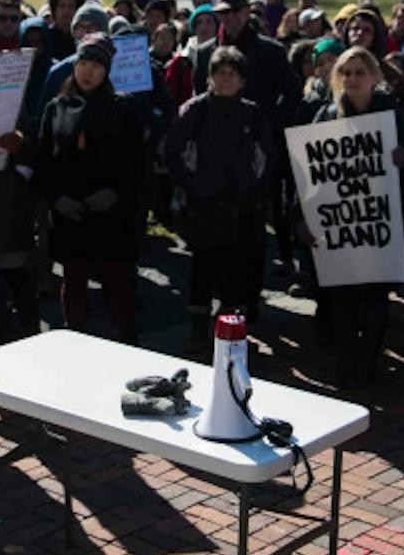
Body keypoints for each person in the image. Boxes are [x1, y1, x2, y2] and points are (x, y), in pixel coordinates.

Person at [309, 46, 404, 387]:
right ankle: (345, 363)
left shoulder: (393, 116)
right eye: (347, 73)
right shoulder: (326, 116)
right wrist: (304, 218)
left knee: (374, 299)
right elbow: (308, 170)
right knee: (342, 299)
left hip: (379, 222)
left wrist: (402, 160)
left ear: (374, 76)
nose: (353, 79)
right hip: (339, 224)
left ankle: (368, 364)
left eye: (360, 72)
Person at [165, 45, 277, 350]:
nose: (226, 79)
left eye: (232, 73)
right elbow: (173, 152)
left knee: (235, 277)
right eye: (220, 73)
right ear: (210, 77)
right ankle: (198, 334)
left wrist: (254, 193)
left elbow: (268, 158)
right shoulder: (196, 111)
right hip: (204, 207)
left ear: (242, 80)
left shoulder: (253, 115)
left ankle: (229, 339)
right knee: (201, 272)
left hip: (242, 209)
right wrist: (193, 186)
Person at [37, 38, 145, 344]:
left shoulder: (122, 108)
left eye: (97, 66)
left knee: (117, 282)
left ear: (106, 71)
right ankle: (75, 341)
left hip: (111, 214)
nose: (88, 72)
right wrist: (57, 198)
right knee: (73, 280)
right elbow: (44, 160)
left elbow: (136, 162)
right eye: (84, 64)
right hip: (70, 212)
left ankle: (127, 342)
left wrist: (115, 193)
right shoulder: (56, 108)